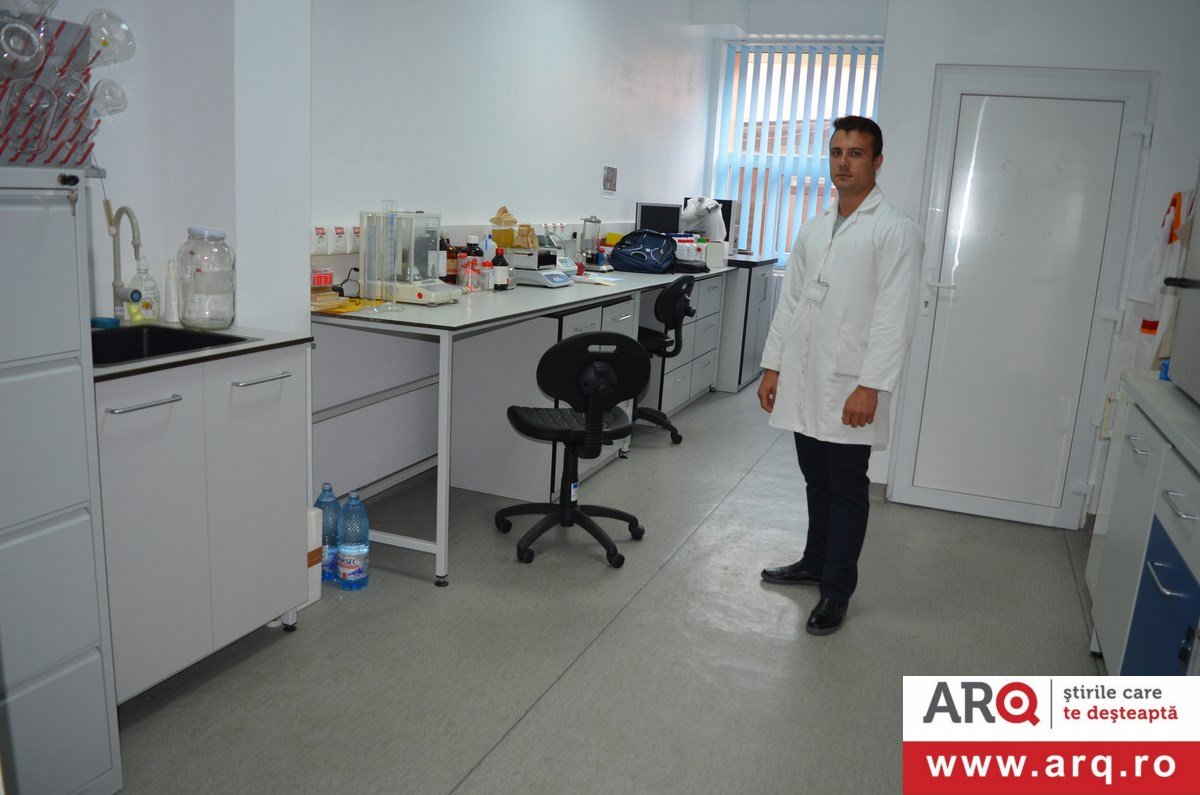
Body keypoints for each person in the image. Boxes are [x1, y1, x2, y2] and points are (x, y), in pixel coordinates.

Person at [757, 115, 923, 636]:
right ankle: (814, 561)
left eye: (856, 153)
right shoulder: (814, 227)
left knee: (848, 488)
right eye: (836, 152)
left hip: (852, 382)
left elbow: (896, 316)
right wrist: (773, 366)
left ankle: (836, 590)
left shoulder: (894, 228)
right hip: (805, 376)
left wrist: (870, 386)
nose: (843, 163)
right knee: (816, 480)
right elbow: (791, 303)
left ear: (877, 161)